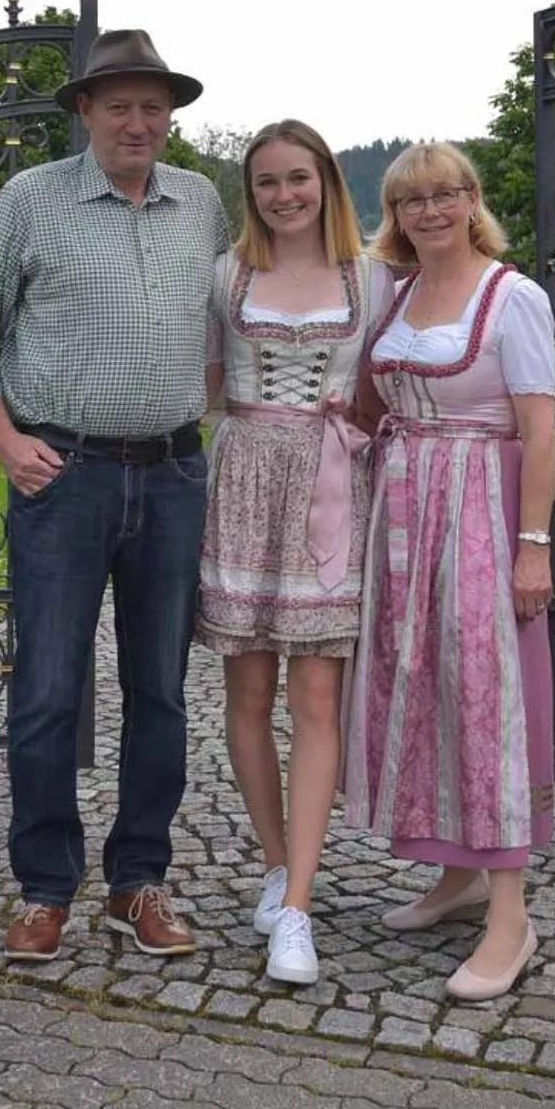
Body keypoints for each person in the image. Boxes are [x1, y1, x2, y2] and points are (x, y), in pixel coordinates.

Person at [0, 28, 227, 965]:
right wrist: (4, 439)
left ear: (170, 116)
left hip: (174, 475)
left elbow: (228, 322)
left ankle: (138, 881)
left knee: (161, 692)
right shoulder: (31, 199)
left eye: (153, 108)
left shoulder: (201, 203)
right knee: (48, 691)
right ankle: (44, 889)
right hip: (64, 476)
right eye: (119, 107)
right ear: (86, 113)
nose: (137, 123)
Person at [341, 140, 555, 1002]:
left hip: (479, 510)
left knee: (483, 695)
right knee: (423, 685)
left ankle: (511, 914)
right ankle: (457, 877)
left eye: (443, 195)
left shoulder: (513, 296)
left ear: (472, 201)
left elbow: (539, 429)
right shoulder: (394, 296)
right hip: (405, 514)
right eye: (409, 200)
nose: (427, 212)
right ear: (393, 214)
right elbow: (370, 405)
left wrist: (533, 545)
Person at [197, 120, 375, 986]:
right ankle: (275, 863)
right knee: (248, 690)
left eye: (297, 178)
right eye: (265, 182)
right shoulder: (225, 275)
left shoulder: (371, 278)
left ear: (326, 182)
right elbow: (201, 386)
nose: (282, 195)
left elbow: (387, 389)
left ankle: (297, 906)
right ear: (250, 193)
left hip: (330, 489)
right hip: (242, 484)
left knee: (315, 698)